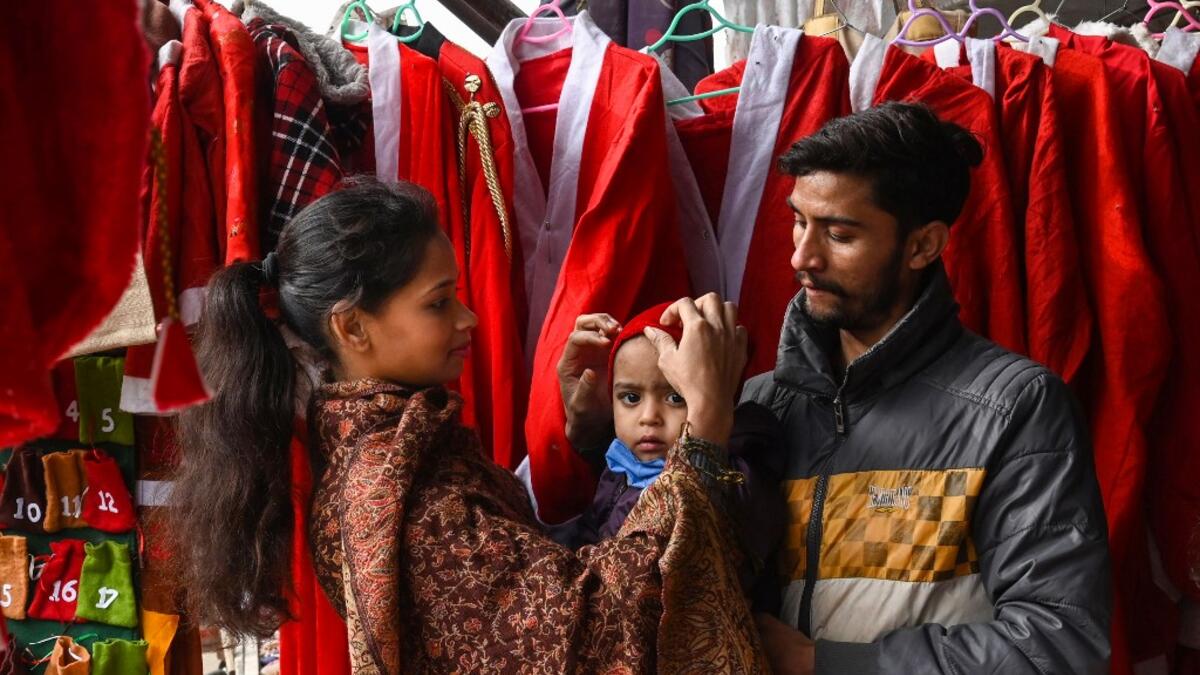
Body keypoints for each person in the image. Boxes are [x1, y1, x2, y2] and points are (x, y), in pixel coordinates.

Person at [168, 177, 767, 673]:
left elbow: (524, 570)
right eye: (438, 303)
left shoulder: (408, 451)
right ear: (352, 328)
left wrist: (585, 439)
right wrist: (705, 427)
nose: (469, 318)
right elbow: (597, 628)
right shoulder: (399, 490)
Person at [739, 101, 1112, 674]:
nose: (801, 256)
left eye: (838, 234)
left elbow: (1057, 645)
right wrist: (593, 438)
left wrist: (826, 665)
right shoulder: (761, 405)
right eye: (798, 220)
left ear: (922, 246)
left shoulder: (1015, 407)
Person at [573, 303, 786, 598]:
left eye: (675, 397)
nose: (649, 416)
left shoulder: (737, 474)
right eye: (631, 397)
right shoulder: (619, 469)